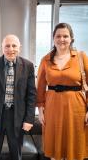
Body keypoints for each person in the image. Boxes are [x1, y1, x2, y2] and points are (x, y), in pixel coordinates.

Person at [0, 34, 36, 160]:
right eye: (7, 46)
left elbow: (31, 95)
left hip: (17, 117)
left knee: (16, 155)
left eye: (14, 45)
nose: (11, 49)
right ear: (2, 48)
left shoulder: (28, 66)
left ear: (19, 47)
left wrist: (29, 119)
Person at [36, 23, 88, 160]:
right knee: (54, 147)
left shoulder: (81, 58)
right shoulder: (46, 60)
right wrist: (40, 111)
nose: (62, 39)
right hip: (52, 108)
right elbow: (40, 88)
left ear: (71, 38)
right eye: (58, 36)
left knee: (75, 147)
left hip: (77, 109)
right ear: (53, 38)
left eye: (65, 36)